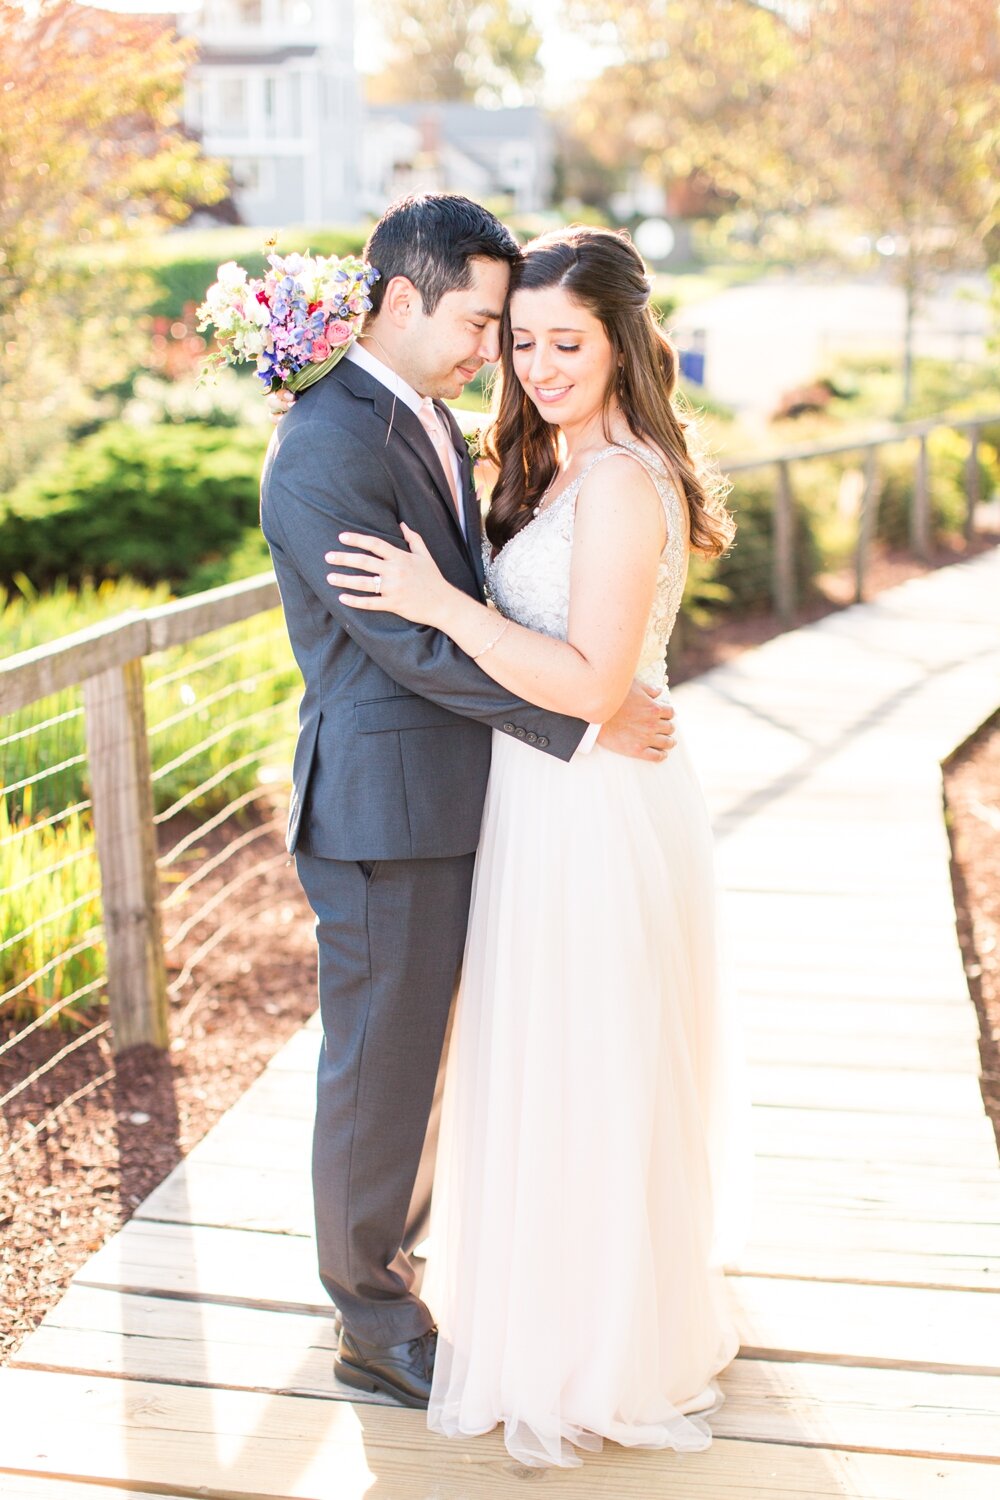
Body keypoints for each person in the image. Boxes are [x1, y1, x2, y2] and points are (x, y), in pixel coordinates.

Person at [324, 224, 750, 1468]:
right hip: (535, 798)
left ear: (623, 343)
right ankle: (535, 1307)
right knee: (536, 1059)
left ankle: (598, 1342)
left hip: (595, 812)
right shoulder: (543, 462)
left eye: (569, 342)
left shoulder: (621, 482)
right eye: (520, 342)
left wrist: (442, 604)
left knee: (588, 1063)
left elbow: (587, 681)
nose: (542, 365)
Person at [259, 197, 678, 1412]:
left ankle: (415, 1252)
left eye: (521, 330)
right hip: (387, 811)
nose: (496, 353)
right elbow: (407, 647)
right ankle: (371, 1321)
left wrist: (592, 699)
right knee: (379, 1073)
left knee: (440, 1065)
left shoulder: (429, 419)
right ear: (400, 300)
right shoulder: (328, 442)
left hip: (470, 798)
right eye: (482, 323)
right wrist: (585, 715)